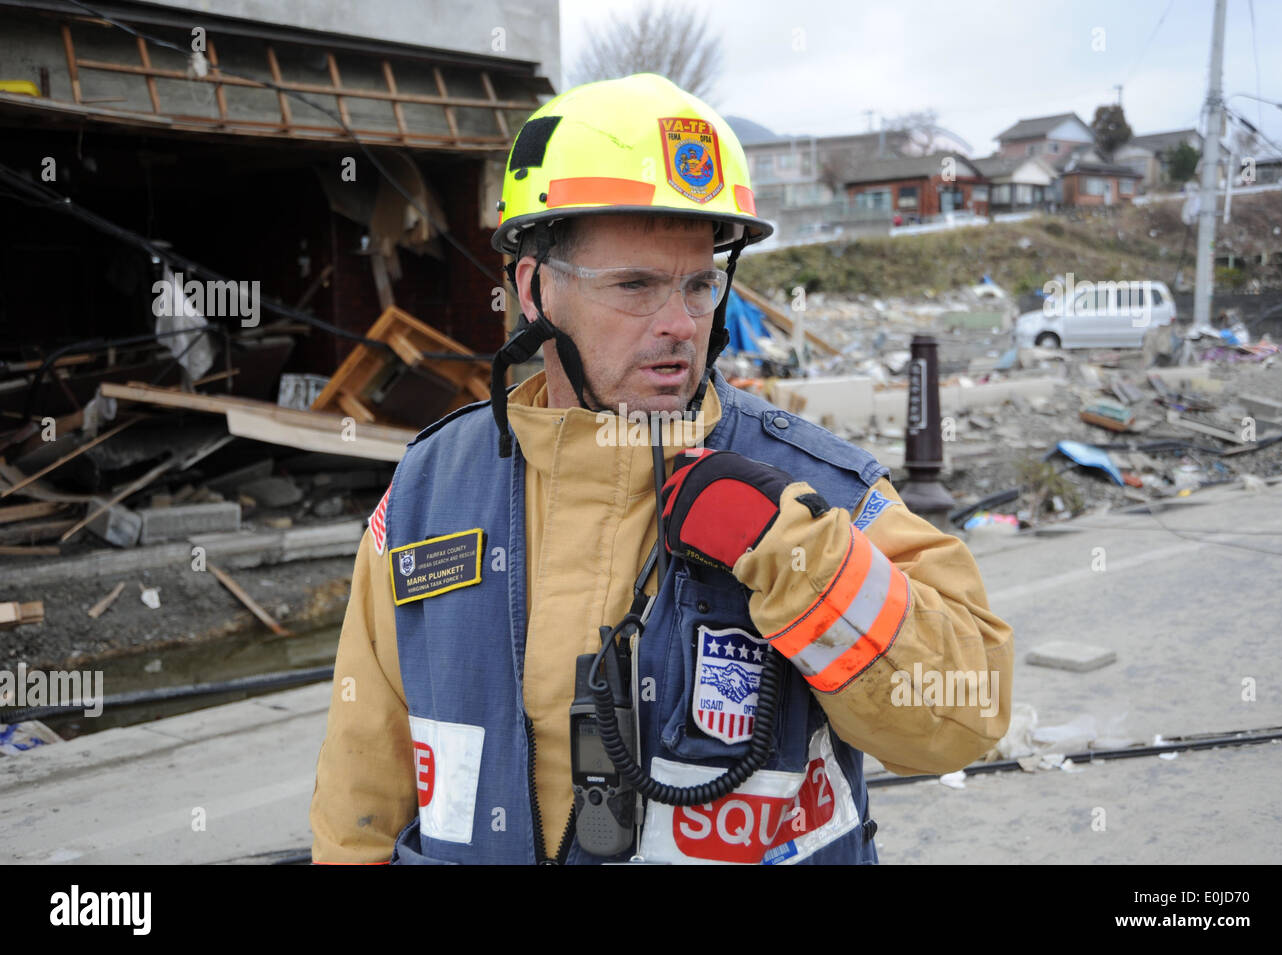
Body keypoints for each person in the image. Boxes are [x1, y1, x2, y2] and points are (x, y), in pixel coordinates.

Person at [310, 73, 1013, 865]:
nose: (679, 324)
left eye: (699, 284)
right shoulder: (429, 490)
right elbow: (358, 784)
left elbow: (966, 715)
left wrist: (806, 564)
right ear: (534, 289)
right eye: (636, 286)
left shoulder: (820, 492)